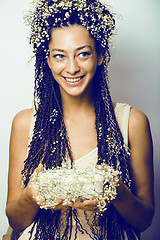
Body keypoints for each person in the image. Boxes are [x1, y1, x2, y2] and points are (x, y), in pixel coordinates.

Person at [5, 0, 154, 239]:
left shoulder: (132, 121)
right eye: (60, 56)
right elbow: (15, 219)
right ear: (48, 60)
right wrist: (30, 197)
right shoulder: (25, 123)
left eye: (83, 54)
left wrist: (117, 193)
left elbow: (145, 219)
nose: (72, 68)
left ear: (100, 56)